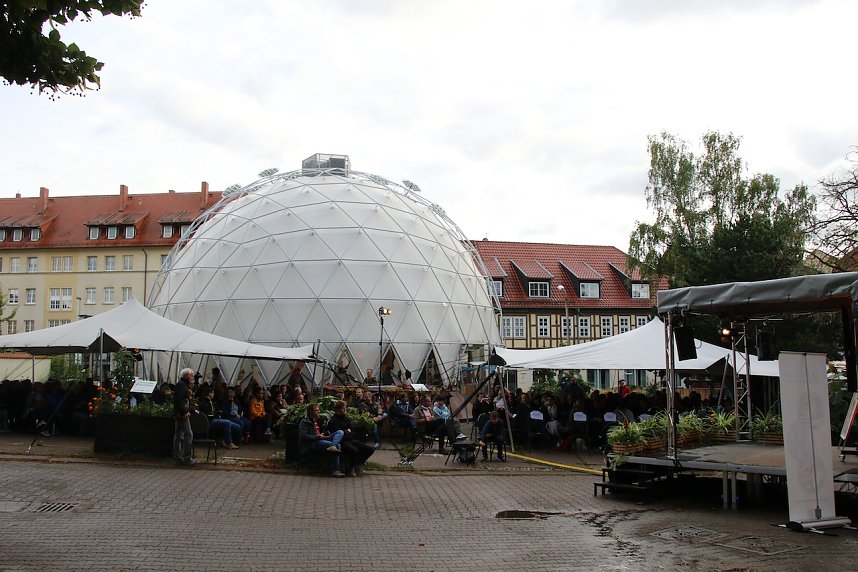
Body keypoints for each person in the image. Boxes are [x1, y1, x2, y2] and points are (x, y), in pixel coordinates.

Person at [326, 400, 374, 476]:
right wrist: (347, 431)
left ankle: (358, 464)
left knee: (370, 449)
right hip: (342, 442)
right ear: (338, 409)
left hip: (351, 440)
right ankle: (351, 468)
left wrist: (348, 432)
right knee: (354, 450)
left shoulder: (346, 419)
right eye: (343, 408)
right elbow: (339, 434)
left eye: (345, 408)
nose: (345, 410)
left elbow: (352, 430)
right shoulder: (333, 421)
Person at [298, 403, 345, 478]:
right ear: (311, 412)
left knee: (340, 432)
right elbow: (304, 436)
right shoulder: (304, 422)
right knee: (338, 445)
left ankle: (332, 445)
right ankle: (335, 470)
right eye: (317, 410)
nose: (319, 411)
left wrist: (325, 434)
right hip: (313, 442)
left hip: (321, 438)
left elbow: (321, 431)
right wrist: (318, 437)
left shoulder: (318, 420)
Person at [172, 367, 197, 466]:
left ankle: (177, 457)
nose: (193, 377)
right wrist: (184, 412)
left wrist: (190, 410)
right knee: (188, 434)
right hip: (181, 414)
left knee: (178, 435)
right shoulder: (182, 385)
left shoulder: (182, 384)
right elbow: (180, 401)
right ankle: (187, 457)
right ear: (186, 376)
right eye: (191, 375)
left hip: (179, 413)